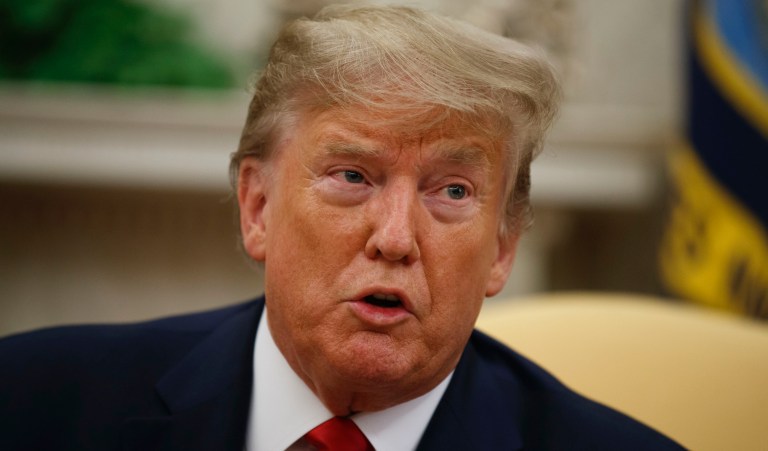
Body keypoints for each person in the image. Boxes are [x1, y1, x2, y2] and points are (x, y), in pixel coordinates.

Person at [0, 4, 682, 450]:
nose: (395, 238)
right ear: (258, 207)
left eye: (452, 191)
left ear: (502, 248)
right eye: (352, 176)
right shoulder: (33, 403)